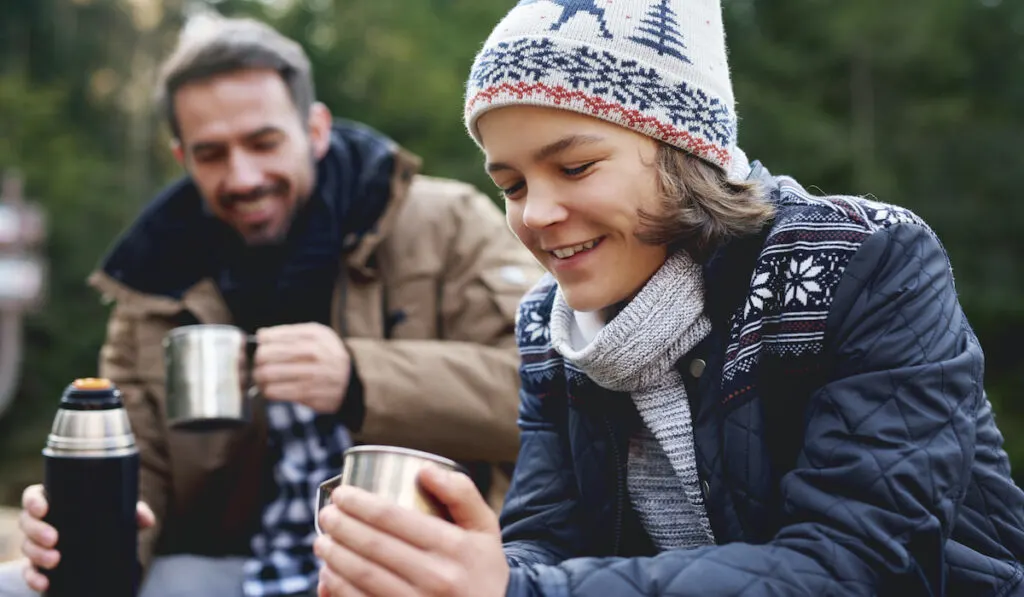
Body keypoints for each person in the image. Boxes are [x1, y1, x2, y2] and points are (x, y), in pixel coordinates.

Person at [311, 0, 1024, 595]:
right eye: (514, 185)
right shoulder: (553, 328)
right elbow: (543, 544)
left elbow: (861, 567)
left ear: (687, 154)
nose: (536, 214)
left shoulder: (866, 261)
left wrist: (518, 589)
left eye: (575, 166)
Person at [0, 14, 543, 597]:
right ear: (182, 157)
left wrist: (360, 377)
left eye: (263, 143)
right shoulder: (155, 275)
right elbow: (141, 464)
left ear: (315, 130)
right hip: (232, 568)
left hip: (412, 567)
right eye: (211, 154)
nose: (243, 176)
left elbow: (547, 394)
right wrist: (89, 520)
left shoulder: (446, 224)